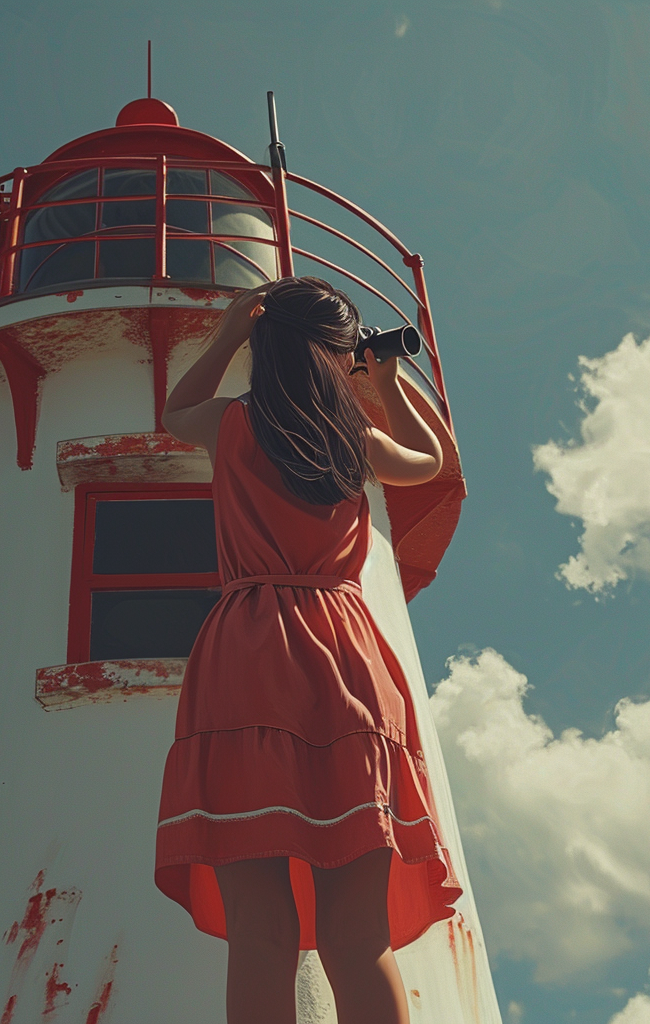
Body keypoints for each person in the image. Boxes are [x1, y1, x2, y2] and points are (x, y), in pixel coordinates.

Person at [154, 277, 462, 1024]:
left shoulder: (231, 425)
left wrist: (230, 333)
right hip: (345, 658)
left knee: (261, 940)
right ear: (335, 356)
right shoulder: (356, 441)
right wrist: (386, 387)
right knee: (357, 941)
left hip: (247, 656)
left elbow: (171, 411)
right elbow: (438, 461)